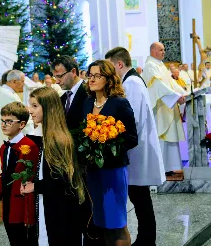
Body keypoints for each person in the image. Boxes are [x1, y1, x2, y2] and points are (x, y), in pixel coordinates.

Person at [105, 47, 166, 246]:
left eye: (110, 67)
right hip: (137, 148)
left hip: (137, 150)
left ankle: (147, 240)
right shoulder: (130, 81)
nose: (108, 72)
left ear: (119, 64)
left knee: (140, 198)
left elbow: (133, 120)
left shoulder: (131, 83)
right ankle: (146, 238)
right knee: (140, 197)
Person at [21, 87, 85, 246]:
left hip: (60, 209)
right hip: (51, 203)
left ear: (48, 107)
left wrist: (34, 186)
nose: (30, 110)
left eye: (35, 106)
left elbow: (62, 179)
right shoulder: (47, 135)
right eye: (30, 105)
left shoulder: (57, 139)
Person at [51, 55, 104, 246]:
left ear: (73, 72)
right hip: (71, 164)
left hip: (86, 164)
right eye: (54, 76)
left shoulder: (88, 93)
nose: (57, 80)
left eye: (60, 75)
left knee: (90, 214)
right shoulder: (63, 96)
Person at [83, 60, 138, 246]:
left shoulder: (119, 103)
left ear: (108, 79)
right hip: (93, 171)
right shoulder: (87, 102)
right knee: (103, 222)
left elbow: (132, 138)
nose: (92, 79)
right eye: (90, 75)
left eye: (97, 75)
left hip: (113, 171)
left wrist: (108, 149)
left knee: (117, 223)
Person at [0, 102, 39, 246]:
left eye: (9, 121)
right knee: (13, 240)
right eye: (2, 121)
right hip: (8, 204)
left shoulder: (30, 146)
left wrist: (29, 215)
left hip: (22, 206)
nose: (4, 125)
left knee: (26, 241)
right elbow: (5, 174)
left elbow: (30, 179)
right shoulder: (4, 147)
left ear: (22, 124)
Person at [143, 42, 186, 175]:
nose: (164, 52)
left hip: (167, 105)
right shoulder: (150, 66)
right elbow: (158, 84)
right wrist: (175, 97)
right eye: (161, 50)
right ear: (153, 51)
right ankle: (161, 168)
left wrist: (182, 93)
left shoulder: (160, 65)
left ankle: (169, 167)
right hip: (160, 107)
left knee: (169, 135)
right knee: (162, 135)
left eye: (164, 50)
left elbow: (171, 82)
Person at [0, 70, 33, 152]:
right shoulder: (7, 95)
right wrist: (32, 129)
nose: (23, 85)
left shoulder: (6, 92)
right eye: (22, 81)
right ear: (14, 81)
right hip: (11, 133)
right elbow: (19, 115)